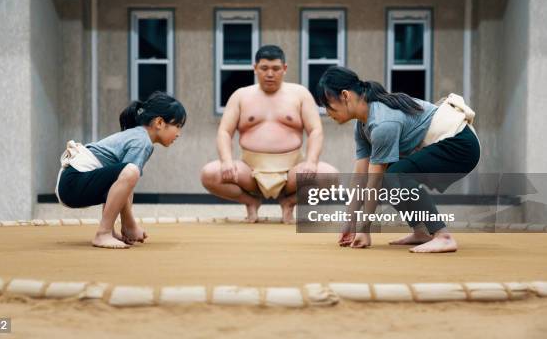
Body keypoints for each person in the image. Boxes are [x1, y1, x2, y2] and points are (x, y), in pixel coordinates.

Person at [315, 66, 480, 253]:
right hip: (450, 142)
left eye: (328, 105)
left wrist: (364, 228)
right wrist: (350, 221)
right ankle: (421, 231)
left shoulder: (383, 123)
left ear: (345, 95)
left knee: (394, 175)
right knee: (391, 176)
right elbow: (360, 175)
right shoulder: (363, 125)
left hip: (461, 144)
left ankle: (443, 236)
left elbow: (374, 181)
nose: (328, 112)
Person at [201, 45, 337, 224]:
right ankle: (250, 202)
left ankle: (289, 203)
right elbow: (225, 132)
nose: (270, 74)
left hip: (291, 171)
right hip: (250, 170)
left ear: (285, 69)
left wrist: (311, 162)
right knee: (208, 174)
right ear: (255, 68)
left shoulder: (300, 94)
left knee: (331, 176)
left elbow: (316, 130)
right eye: (264, 68)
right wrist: (226, 161)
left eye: (275, 68)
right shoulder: (240, 96)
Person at [55, 92, 186, 249]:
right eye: (177, 126)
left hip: (73, 182)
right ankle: (103, 233)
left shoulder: (138, 136)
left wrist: (128, 225)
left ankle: (109, 231)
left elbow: (120, 184)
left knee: (127, 175)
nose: (179, 133)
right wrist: (131, 224)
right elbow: (127, 177)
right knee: (131, 172)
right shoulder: (142, 141)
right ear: (159, 122)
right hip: (73, 183)